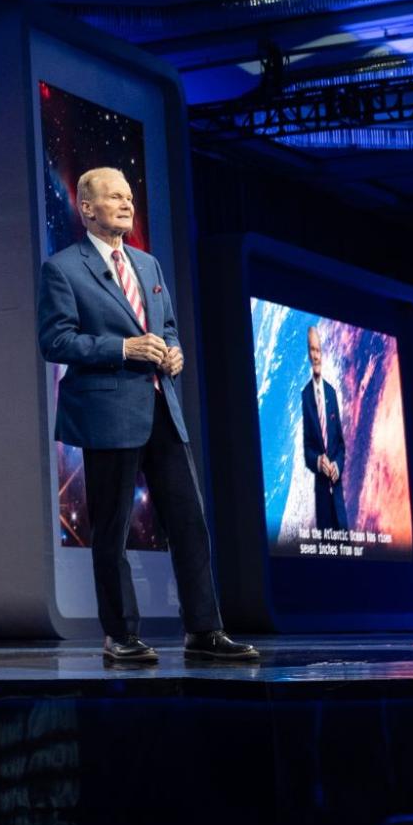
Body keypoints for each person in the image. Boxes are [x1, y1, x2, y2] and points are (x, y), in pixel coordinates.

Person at [37, 166, 258, 667]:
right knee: (111, 532)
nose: (126, 203)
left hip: (162, 408)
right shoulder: (64, 269)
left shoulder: (148, 265)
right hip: (109, 413)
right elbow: (55, 340)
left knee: (190, 523)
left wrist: (173, 352)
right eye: (114, 196)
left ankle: (204, 629)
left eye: (130, 196)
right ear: (86, 208)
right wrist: (124, 347)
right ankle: (121, 636)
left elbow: (170, 328)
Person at [300, 325, 348, 533]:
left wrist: (337, 464)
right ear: (309, 354)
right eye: (312, 350)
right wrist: (319, 461)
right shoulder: (305, 396)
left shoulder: (331, 392)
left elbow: (340, 445)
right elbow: (308, 448)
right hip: (322, 499)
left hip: (338, 498)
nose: (316, 355)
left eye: (318, 350)